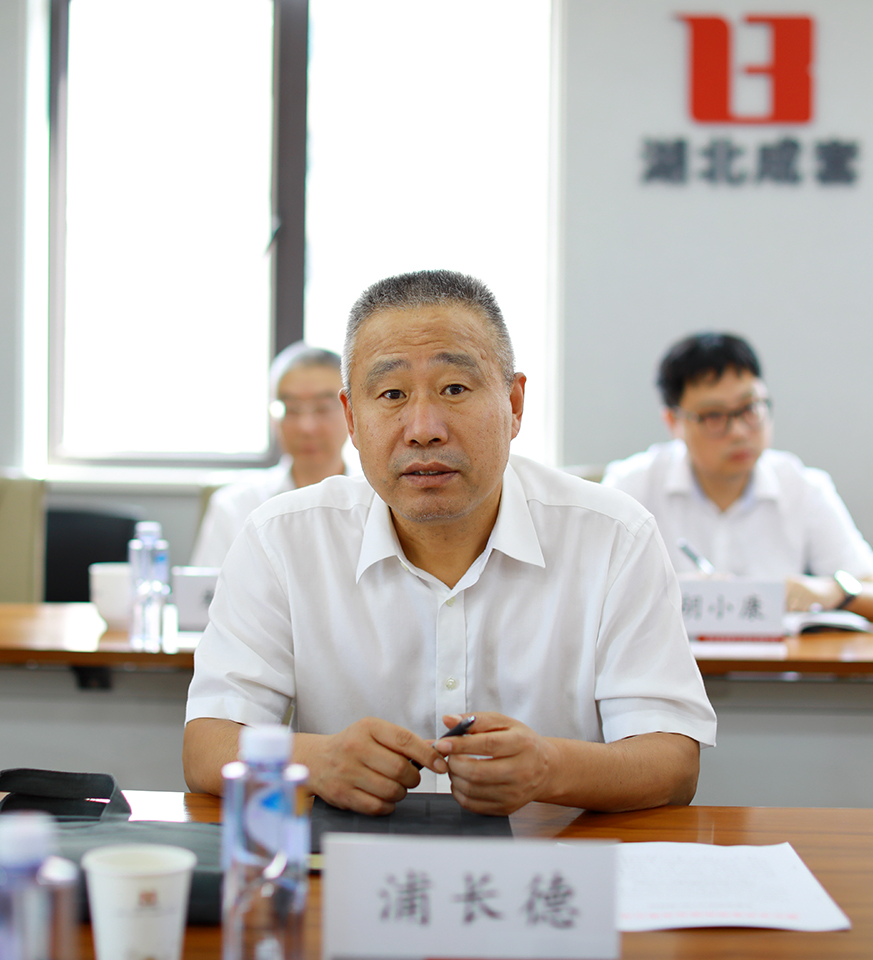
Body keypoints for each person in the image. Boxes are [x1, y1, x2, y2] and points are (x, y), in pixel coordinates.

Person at [183, 270, 716, 816]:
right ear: (352, 418)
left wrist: (548, 768)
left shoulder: (614, 536)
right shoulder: (281, 539)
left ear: (514, 403)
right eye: (392, 394)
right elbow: (207, 747)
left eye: (455, 389)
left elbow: (672, 762)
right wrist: (315, 760)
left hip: (552, 863)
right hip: (349, 863)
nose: (423, 428)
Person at [602, 332, 873, 619]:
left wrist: (830, 591)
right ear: (673, 422)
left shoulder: (801, 487)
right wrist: (670, 591)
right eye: (714, 417)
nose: (738, 432)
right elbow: (589, 599)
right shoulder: (631, 487)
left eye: (749, 408)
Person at [190, 342, 353, 567]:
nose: (306, 426)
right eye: (291, 409)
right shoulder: (236, 506)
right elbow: (208, 587)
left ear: (350, 411)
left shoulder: (376, 500)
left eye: (323, 408)